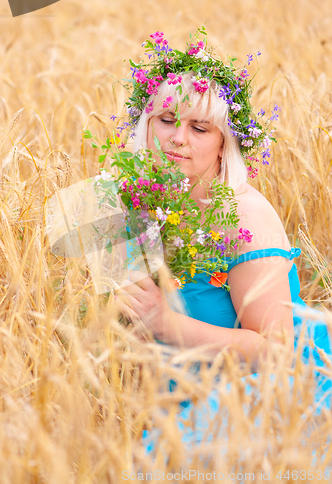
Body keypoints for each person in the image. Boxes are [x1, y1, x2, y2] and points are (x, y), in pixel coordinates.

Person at [114, 32, 332, 452]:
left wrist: (165, 324)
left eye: (199, 127)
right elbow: (121, 319)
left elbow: (276, 354)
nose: (179, 138)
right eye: (166, 120)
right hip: (178, 387)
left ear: (222, 143)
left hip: (264, 389)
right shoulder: (132, 201)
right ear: (146, 123)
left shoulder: (246, 217)